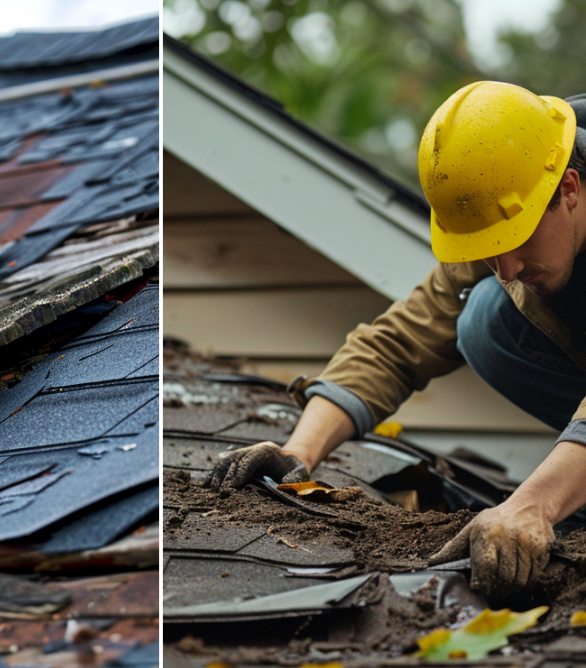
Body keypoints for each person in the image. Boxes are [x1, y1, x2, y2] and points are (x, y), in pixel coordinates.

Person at [210, 81, 586, 602]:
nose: (508, 268)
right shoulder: (509, 192)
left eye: (516, 242)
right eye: (491, 249)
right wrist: (298, 451)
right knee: (481, 317)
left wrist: (536, 505)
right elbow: (405, 335)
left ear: (568, 190)